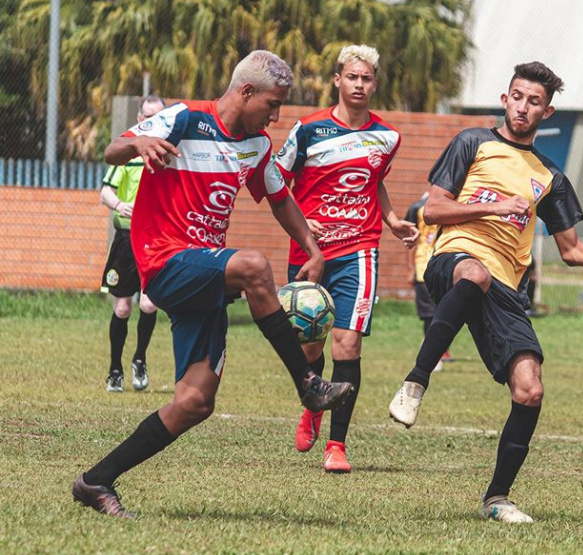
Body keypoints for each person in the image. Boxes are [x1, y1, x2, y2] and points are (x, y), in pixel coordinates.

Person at [72, 50, 353, 519]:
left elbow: (280, 199)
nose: (276, 115)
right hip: (164, 261)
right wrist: (139, 145)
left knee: (195, 401)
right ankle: (306, 383)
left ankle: (96, 480)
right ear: (245, 92)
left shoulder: (258, 144)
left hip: (202, 272)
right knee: (254, 266)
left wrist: (314, 248)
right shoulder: (184, 118)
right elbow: (112, 151)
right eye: (272, 104)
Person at [386, 61, 583, 523]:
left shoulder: (550, 175)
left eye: (533, 101)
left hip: (507, 287)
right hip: (455, 260)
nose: (523, 107)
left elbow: (572, 251)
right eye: (517, 96)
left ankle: (497, 498)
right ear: (504, 99)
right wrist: (495, 205)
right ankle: (416, 382)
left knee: (530, 389)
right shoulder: (472, 142)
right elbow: (433, 211)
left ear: (547, 111)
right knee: (473, 274)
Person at [275, 44, 418, 474]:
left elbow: (374, 184)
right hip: (308, 253)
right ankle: (313, 402)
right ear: (337, 80)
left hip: (360, 249)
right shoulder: (308, 130)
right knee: (310, 347)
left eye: (367, 78)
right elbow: (276, 184)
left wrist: (391, 220)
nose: (359, 85)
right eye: (352, 77)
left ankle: (337, 445)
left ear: (375, 84)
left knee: (348, 345)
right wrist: (304, 225)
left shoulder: (387, 137)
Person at [99, 94, 166, 393]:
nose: (153, 123)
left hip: (155, 240)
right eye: (149, 117)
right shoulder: (126, 153)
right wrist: (119, 204)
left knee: (150, 303)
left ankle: (140, 360)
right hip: (126, 240)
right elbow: (105, 192)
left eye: (159, 117)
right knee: (123, 308)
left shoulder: (168, 155)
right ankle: (115, 369)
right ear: (140, 120)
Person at [405, 191, 452, 372]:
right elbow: (411, 241)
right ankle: (432, 354)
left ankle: (437, 349)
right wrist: (410, 269)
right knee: (429, 315)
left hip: (444, 266)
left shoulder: (453, 206)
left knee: (445, 312)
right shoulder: (417, 208)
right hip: (423, 266)